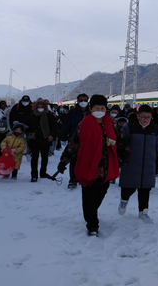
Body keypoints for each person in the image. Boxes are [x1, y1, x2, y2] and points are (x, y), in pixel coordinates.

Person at [58, 95, 120, 236]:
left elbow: (120, 140)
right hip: (88, 165)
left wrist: (125, 154)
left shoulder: (112, 123)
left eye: (102, 108)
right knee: (88, 196)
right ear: (91, 109)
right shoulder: (84, 124)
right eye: (97, 108)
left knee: (101, 192)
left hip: (106, 165)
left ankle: (92, 212)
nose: (99, 110)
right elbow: (74, 143)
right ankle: (92, 225)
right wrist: (64, 160)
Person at [117, 104, 158, 223]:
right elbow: (121, 143)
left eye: (148, 117)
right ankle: (123, 201)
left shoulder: (155, 129)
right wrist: (121, 156)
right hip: (131, 163)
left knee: (145, 190)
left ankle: (143, 212)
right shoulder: (129, 127)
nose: (145, 120)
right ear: (138, 116)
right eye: (143, 117)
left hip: (148, 164)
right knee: (128, 188)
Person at [60, 93, 90, 189]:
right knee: (73, 160)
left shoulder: (91, 112)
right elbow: (67, 124)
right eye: (81, 100)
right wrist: (63, 136)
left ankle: (85, 178)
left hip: (89, 140)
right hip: (74, 139)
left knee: (87, 160)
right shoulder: (73, 112)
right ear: (77, 101)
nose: (83, 102)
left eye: (85, 100)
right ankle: (72, 179)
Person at [25, 98, 59, 182]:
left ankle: (43, 172)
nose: (40, 108)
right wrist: (29, 134)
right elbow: (26, 126)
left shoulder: (49, 115)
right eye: (38, 106)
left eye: (42, 106)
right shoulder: (31, 116)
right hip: (34, 140)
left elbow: (54, 127)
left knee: (44, 157)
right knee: (35, 157)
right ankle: (34, 175)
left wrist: (52, 135)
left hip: (45, 139)